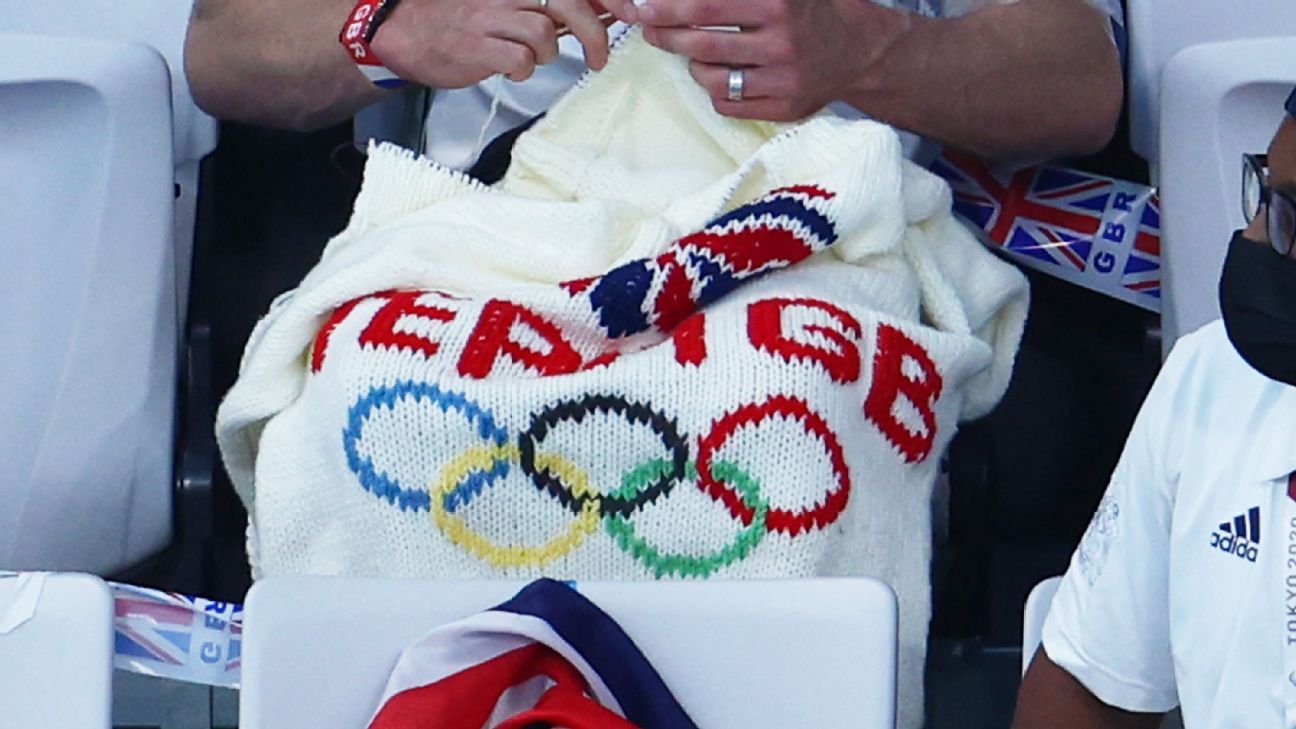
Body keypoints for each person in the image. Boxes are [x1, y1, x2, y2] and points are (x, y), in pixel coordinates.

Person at [1013, 90, 1296, 728]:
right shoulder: (1213, 376)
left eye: (1288, 220)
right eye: (1268, 195)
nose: (1254, 238)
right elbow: (1086, 691)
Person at [184, 0, 1124, 170]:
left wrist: (870, 52)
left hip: (821, 249)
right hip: (489, 253)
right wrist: (393, 26)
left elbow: (1081, 86)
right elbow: (226, 52)